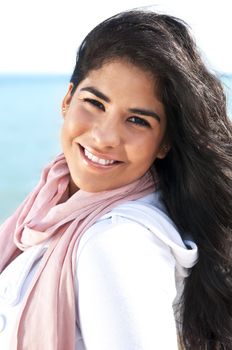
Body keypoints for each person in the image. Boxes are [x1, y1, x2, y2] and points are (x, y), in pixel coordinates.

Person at [0, 9, 231, 350]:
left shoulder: (114, 243)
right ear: (67, 99)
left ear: (165, 142)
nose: (105, 137)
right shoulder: (52, 202)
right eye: (94, 102)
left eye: (137, 120)